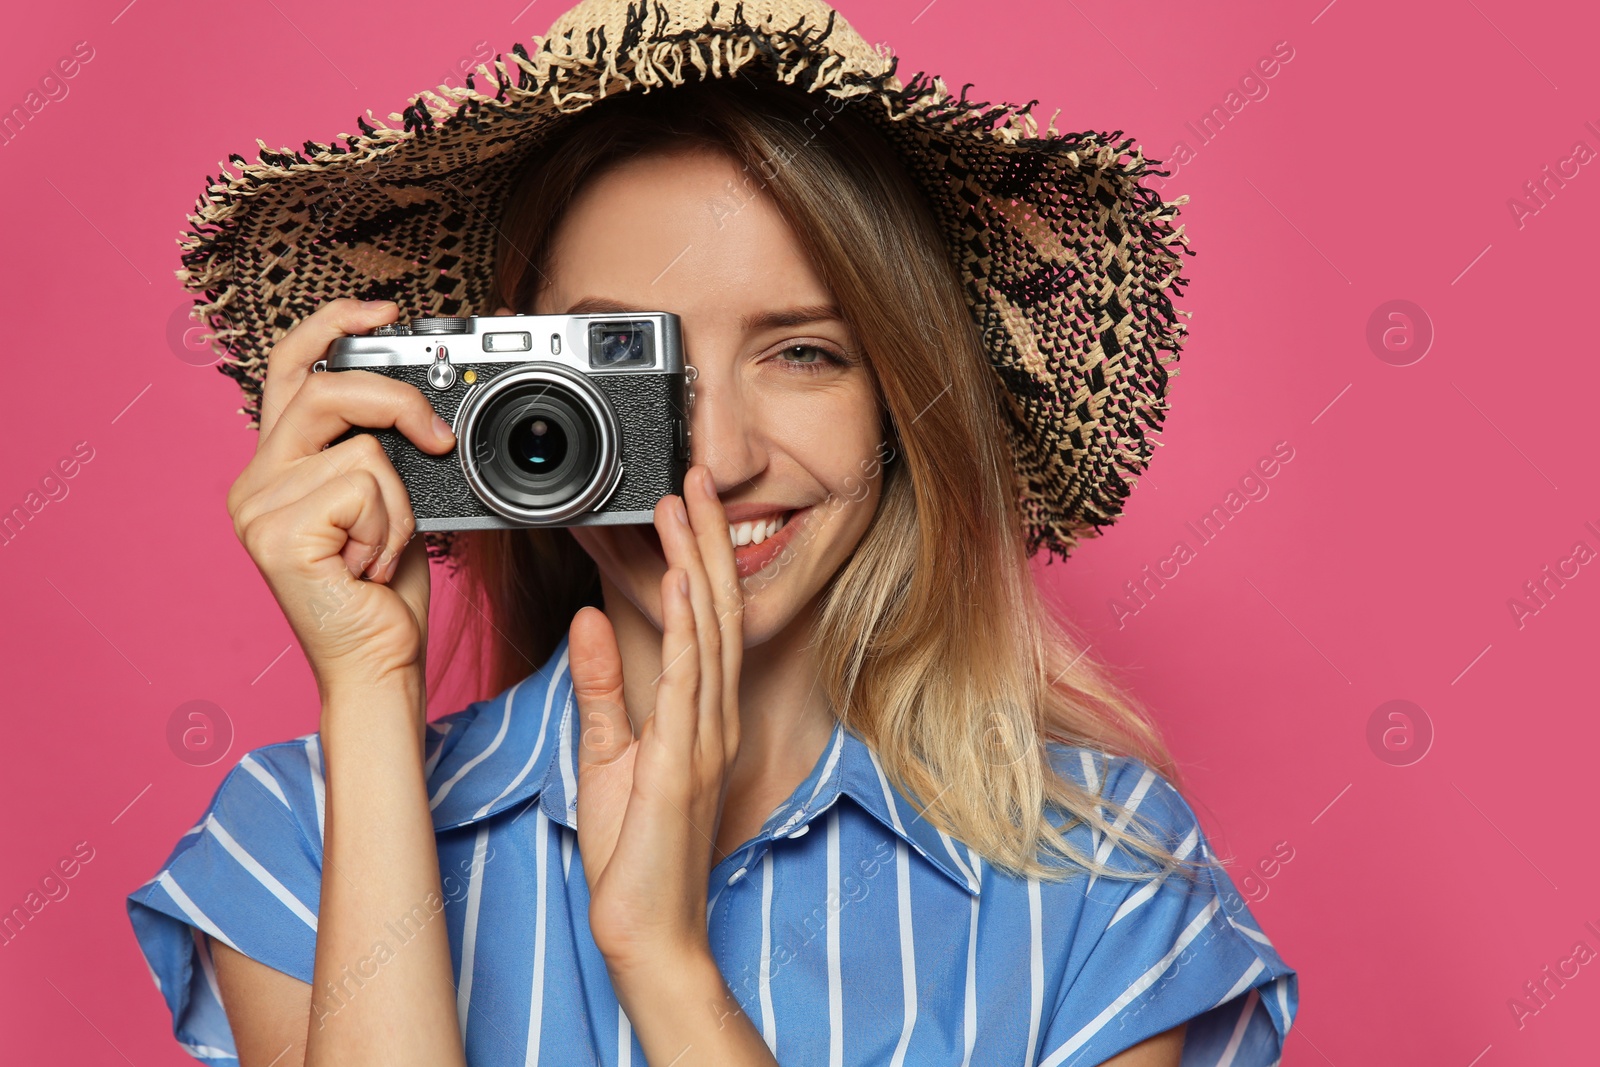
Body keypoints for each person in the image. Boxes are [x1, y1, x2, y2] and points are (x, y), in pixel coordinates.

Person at [126, 2, 1297, 1064]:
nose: (721, 455)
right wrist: (372, 689)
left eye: (804, 352)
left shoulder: (1104, 883)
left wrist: (665, 964)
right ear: (507, 402)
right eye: (630, 365)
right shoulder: (307, 837)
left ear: (899, 403)